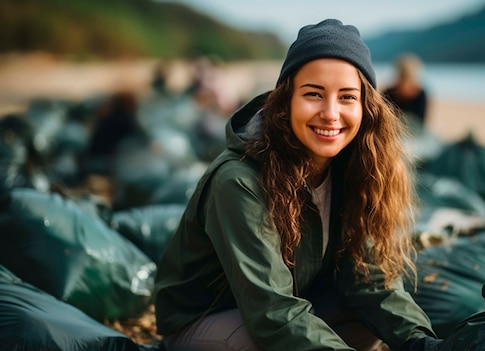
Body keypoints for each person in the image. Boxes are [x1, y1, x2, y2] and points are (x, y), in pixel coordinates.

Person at [154, 19, 441, 351]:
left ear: (365, 107)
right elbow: (271, 311)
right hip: (203, 317)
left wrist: (423, 343)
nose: (331, 113)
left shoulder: (355, 169)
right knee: (260, 345)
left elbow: (372, 282)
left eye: (347, 97)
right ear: (286, 99)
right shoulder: (238, 181)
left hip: (289, 300)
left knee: (369, 322)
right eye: (314, 94)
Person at [383, 53, 429, 129]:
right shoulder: (420, 92)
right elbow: (422, 122)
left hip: (401, 131)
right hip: (397, 132)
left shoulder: (389, 91)